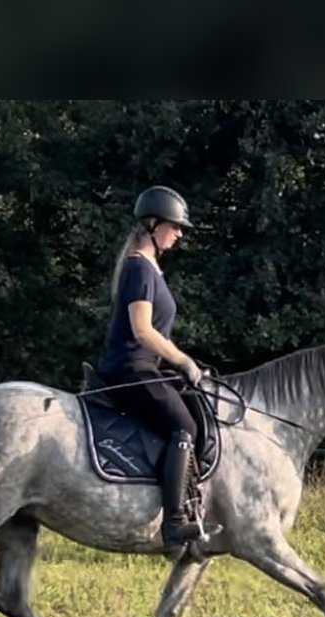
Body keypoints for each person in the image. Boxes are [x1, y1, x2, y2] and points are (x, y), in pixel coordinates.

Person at [97, 185, 210, 549]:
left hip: (143, 366)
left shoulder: (149, 270)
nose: (179, 233)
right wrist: (183, 361)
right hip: (130, 367)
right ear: (152, 224)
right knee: (184, 424)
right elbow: (142, 330)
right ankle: (174, 523)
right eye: (174, 226)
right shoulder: (139, 269)